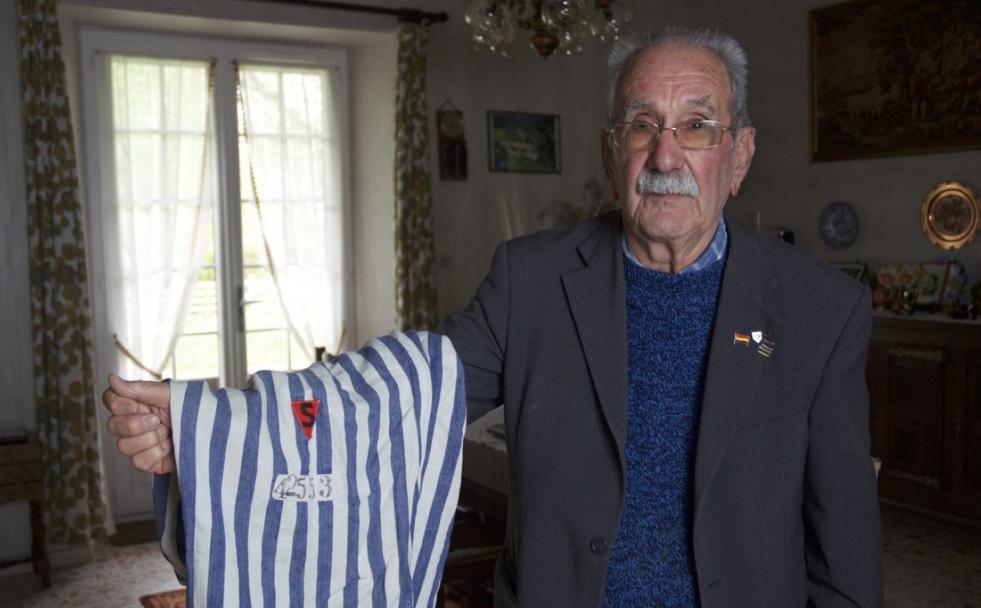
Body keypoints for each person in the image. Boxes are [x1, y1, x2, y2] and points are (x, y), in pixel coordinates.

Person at [104, 26, 882, 608]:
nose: (666, 154)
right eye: (641, 124)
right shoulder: (533, 277)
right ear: (614, 151)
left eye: (696, 126)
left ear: (738, 155)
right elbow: (389, 401)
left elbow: (843, 542)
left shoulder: (820, 308)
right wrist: (211, 426)